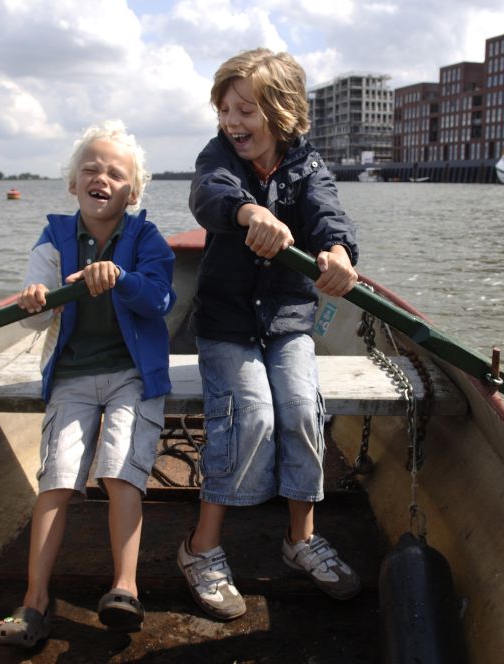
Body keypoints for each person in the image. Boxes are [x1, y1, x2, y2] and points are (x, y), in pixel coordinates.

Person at [178, 48, 361, 620]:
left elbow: (329, 215)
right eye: (225, 110)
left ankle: (300, 539)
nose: (232, 122)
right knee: (251, 414)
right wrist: (249, 213)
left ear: (281, 113)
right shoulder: (218, 156)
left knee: (302, 408)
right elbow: (209, 192)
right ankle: (200, 547)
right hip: (227, 322)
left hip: (287, 319)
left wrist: (337, 253)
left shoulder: (308, 165)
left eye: (245, 110)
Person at [0, 120, 175, 646]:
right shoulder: (53, 237)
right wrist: (34, 299)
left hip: (132, 376)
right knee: (56, 480)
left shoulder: (146, 239)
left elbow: (162, 299)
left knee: (119, 472)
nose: (101, 178)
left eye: (115, 174)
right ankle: (34, 602)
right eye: (91, 169)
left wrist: (121, 277)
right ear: (73, 183)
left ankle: (125, 587)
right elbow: (31, 317)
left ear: (132, 193)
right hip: (72, 375)